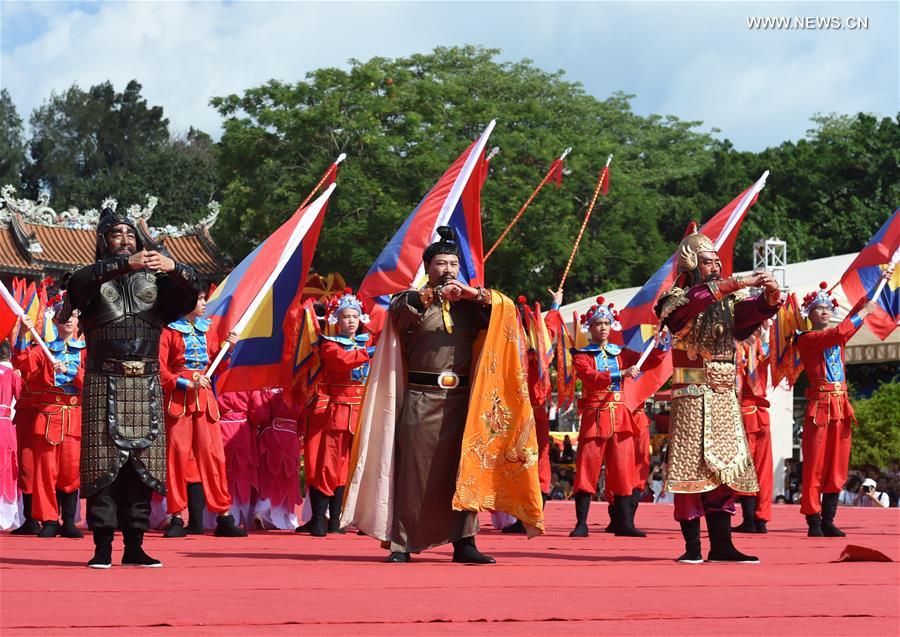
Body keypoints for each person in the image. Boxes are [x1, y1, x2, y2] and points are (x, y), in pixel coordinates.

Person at [342, 226, 543, 564]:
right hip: (422, 397)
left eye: (453, 263)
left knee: (466, 469)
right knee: (414, 473)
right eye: (440, 263)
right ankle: (403, 543)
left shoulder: (469, 305)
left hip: (466, 401)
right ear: (427, 267)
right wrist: (433, 295)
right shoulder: (410, 300)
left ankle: (465, 543)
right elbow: (399, 312)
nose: (448, 269)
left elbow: (504, 312)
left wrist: (474, 294)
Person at [67, 205, 202, 568]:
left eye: (130, 235)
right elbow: (77, 286)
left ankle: (135, 545)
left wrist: (174, 266)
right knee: (102, 468)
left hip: (145, 382)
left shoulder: (157, 286)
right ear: (104, 240)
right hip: (102, 380)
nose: (125, 240)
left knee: (142, 467)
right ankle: (102, 548)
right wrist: (128, 265)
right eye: (117, 235)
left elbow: (192, 290)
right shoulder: (91, 280)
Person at [654, 226, 781, 563]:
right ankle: (692, 546)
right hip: (691, 389)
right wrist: (741, 282)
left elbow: (750, 317)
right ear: (692, 264)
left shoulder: (728, 302)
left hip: (724, 393)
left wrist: (770, 297)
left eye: (717, 262)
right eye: (708, 262)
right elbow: (694, 304)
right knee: (691, 468)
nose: (715, 266)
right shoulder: (674, 299)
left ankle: (722, 544)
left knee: (726, 469)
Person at [569, 297, 665, 538]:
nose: (603, 327)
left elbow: (650, 361)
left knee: (623, 470)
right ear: (589, 328)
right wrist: (620, 374)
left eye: (606, 323)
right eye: (598, 323)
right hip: (594, 417)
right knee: (586, 469)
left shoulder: (621, 352)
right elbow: (590, 376)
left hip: (620, 417)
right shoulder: (582, 355)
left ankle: (624, 522)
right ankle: (581, 523)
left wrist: (660, 345)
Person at [158, 292, 245, 538]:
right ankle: (176, 516)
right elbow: (160, 370)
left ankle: (223, 515)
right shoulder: (168, 333)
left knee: (214, 456)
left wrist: (228, 349)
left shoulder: (209, 330)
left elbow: (216, 366)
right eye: (199, 299)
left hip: (205, 401)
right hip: (179, 400)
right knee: (177, 457)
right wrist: (185, 383)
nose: (204, 304)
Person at [795, 283, 876, 537]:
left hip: (840, 406)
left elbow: (849, 325)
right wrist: (862, 313)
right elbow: (842, 330)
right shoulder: (806, 338)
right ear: (809, 313)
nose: (825, 312)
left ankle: (829, 518)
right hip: (820, 407)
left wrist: (872, 293)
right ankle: (814, 521)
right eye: (819, 308)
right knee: (815, 465)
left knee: (837, 464)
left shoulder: (837, 336)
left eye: (828, 308)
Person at [301, 289, 375, 536]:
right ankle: (320, 519)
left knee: (352, 466)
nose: (351, 320)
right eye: (346, 316)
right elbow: (343, 361)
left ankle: (339, 520)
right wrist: (371, 353)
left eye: (355, 315)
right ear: (337, 321)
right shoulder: (329, 345)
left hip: (362, 410)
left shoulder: (367, 342)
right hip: (339, 410)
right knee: (329, 465)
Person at [14, 291, 86, 538]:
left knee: (70, 470)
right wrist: (24, 334)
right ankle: (48, 520)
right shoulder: (44, 349)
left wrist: (71, 371)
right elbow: (23, 363)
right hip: (47, 417)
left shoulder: (86, 351)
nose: (69, 319)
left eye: (73, 315)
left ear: (78, 321)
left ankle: (68, 521)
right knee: (45, 470)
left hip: (73, 416)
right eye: (64, 315)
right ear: (55, 321)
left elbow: (92, 381)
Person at [733, 325, 774, 534]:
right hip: (759, 413)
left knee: (748, 468)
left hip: (746, 412)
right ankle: (761, 518)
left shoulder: (743, 346)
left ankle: (751, 519)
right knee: (762, 469)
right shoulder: (763, 345)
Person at [249, 387, 303, 530]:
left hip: (272, 435)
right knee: (288, 480)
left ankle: (262, 511)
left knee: (267, 478)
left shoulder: (269, 390)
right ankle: (285, 518)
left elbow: (260, 415)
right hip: (291, 437)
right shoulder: (300, 390)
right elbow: (304, 418)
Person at [217, 390, 261, 528]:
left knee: (221, 472)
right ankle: (242, 516)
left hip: (220, 428)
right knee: (242, 474)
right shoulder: (249, 384)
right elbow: (258, 414)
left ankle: (219, 514)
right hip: (242, 431)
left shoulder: (216, 380)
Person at [0, 340, 23, 530]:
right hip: (5, 424)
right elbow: (22, 396)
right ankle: (7, 514)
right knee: (7, 465)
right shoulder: (13, 375)